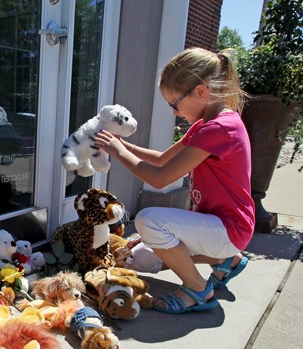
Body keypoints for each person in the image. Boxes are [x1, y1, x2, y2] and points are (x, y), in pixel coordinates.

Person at [93, 47, 254, 313]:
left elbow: (160, 177)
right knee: (140, 258)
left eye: (174, 104)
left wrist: (120, 153)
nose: (174, 112)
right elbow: (161, 159)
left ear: (201, 91)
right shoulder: (208, 124)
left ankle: (198, 289)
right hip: (223, 227)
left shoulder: (219, 129)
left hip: (228, 228)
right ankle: (227, 259)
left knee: (148, 221)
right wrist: (123, 145)